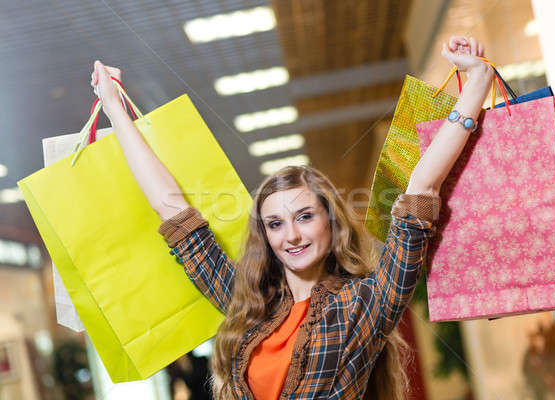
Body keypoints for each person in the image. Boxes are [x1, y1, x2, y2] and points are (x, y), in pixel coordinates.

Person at [91, 36, 493, 399]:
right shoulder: (248, 304)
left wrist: (475, 83)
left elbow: (421, 190)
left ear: (330, 222)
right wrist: (113, 107)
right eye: (276, 224)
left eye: (304, 216)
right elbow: (172, 208)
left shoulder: (364, 305)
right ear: (265, 235)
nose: (292, 236)